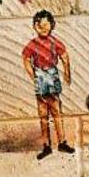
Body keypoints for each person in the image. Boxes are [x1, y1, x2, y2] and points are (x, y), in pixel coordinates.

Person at [23, 10, 73, 157]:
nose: (43, 28)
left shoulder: (54, 42)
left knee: (56, 109)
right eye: (40, 25)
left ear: (52, 25)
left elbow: (65, 56)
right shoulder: (33, 44)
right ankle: (46, 145)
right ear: (35, 26)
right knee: (43, 112)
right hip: (40, 75)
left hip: (52, 75)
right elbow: (26, 58)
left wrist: (67, 73)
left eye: (46, 25)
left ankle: (62, 142)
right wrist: (34, 75)